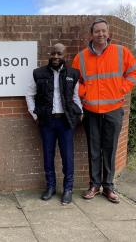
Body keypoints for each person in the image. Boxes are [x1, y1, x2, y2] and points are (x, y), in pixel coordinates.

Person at [72, 18, 136, 204]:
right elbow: (75, 81)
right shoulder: (81, 57)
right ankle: (94, 185)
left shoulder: (121, 52)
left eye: (104, 31)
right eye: (97, 31)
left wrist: (121, 89)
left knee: (109, 149)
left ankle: (108, 186)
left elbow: (134, 72)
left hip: (113, 109)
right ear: (91, 34)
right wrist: (85, 94)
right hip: (91, 110)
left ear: (109, 33)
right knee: (94, 149)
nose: (100, 34)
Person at [26, 43, 82, 204]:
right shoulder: (38, 73)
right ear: (49, 54)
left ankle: (68, 189)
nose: (56, 57)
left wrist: (81, 112)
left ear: (65, 55)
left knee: (67, 156)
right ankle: (50, 187)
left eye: (59, 54)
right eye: (53, 53)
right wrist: (34, 114)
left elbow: (75, 96)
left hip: (66, 122)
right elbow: (29, 94)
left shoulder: (73, 73)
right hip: (47, 122)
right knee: (48, 155)